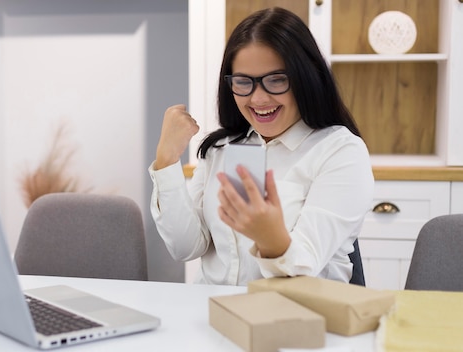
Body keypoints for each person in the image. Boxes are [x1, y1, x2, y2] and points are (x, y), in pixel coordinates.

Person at [148, 7, 374, 286]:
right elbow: (186, 247)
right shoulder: (222, 148)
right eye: (243, 82)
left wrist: (271, 238)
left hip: (297, 318)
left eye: (276, 80)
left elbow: (305, 269)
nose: (258, 98)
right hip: (212, 313)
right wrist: (167, 160)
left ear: (306, 77)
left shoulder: (340, 152)